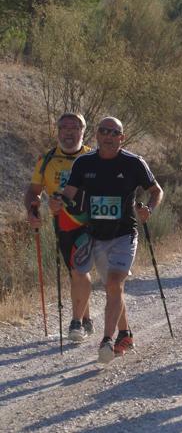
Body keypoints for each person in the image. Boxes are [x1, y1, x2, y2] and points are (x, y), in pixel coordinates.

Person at [56, 116, 163, 363]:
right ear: (97, 135)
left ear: (121, 138)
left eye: (114, 133)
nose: (108, 136)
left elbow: (156, 191)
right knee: (113, 288)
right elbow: (68, 194)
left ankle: (107, 340)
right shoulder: (84, 164)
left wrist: (149, 209)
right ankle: (125, 334)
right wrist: (57, 202)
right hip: (96, 236)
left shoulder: (134, 163)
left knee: (114, 284)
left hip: (125, 234)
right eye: (104, 131)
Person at [24, 112, 95, 342]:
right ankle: (87, 319)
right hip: (62, 224)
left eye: (74, 127)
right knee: (75, 272)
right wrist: (32, 210)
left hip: (90, 223)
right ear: (58, 131)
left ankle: (75, 323)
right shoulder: (46, 160)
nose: (69, 132)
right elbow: (33, 191)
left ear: (83, 131)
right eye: (64, 127)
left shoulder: (93, 157)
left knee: (79, 269)